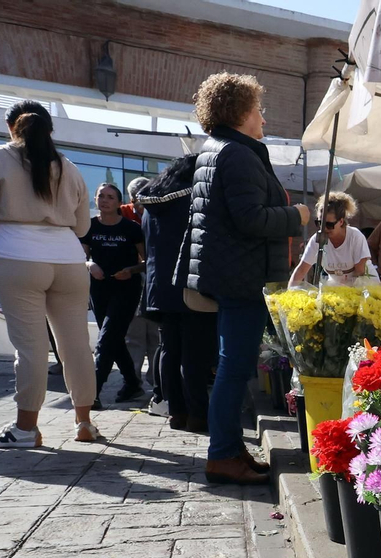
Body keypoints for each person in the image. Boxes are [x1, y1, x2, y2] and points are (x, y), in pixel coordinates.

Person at [180, 72, 311, 486]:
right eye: (258, 110)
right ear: (239, 112)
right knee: (234, 368)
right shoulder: (235, 154)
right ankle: (222, 454)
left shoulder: (219, 150)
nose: (263, 119)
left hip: (232, 273)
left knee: (232, 367)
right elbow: (251, 219)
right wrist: (299, 217)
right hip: (242, 277)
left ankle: (230, 449)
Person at [0, 100, 100, 446]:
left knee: (31, 349)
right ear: (49, 129)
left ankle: (25, 429)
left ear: (11, 127)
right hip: (68, 260)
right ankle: (85, 423)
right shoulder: (68, 167)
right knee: (77, 345)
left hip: (17, 256)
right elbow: (82, 227)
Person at [139, 155, 215, 434]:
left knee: (170, 352)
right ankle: (197, 414)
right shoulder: (191, 202)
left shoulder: (151, 206)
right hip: (188, 286)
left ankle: (176, 413)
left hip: (158, 288)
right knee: (194, 356)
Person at [83, 182, 146, 408]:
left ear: (119, 203)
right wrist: (90, 264)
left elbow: (147, 261)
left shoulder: (131, 228)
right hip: (99, 289)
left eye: (110, 197)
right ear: (95, 199)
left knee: (107, 339)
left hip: (126, 290)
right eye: (101, 196)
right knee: (113, 338)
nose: (105, 200)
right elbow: (82, 257)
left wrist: (131, 270)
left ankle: (92, 393)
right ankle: (132, 383)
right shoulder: (89, 227)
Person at [121, 176, 162, 405]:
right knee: (136, 337)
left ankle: (154, 381)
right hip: (137, 283)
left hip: (151, 283)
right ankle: (135, 381)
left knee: (154, 337)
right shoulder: (124, 215)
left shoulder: (158, 213)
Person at [289, 192, 369, 287]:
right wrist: (288, 294)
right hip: (337, 289)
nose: (324, 229)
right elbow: (301, 270)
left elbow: (360, 273)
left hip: (365, 286)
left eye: (329, 225)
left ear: (341, 222)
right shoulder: (317, 239)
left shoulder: (355, 237)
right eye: (319, 223)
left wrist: (348, 295)